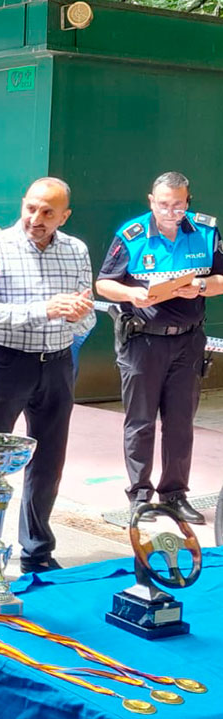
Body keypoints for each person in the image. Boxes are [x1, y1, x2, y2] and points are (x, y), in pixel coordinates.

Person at [0, 178, 95, 580]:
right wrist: (45, 310)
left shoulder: (77, 250)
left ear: (64, 216)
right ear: (22, 203)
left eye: (48, 212)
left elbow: (87, 313)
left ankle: (37, 549)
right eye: (31, 208)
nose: (36, 218)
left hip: (56, 362)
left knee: (49, 461)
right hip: (5, 362)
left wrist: (76, 316)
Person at [96, 172, 221, 523]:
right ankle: (139, 495)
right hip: (143, 340)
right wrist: (131, 293)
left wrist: (199, 285)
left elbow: (221, 280)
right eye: (163, 204)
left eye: (178, 204)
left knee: (181, 422)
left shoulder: (207, 231)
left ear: (188, 201)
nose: (170, 211)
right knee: (141, 421)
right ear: (151, 201)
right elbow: (104, 283)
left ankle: (175, 494)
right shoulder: (131, 236)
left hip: (188, 340)